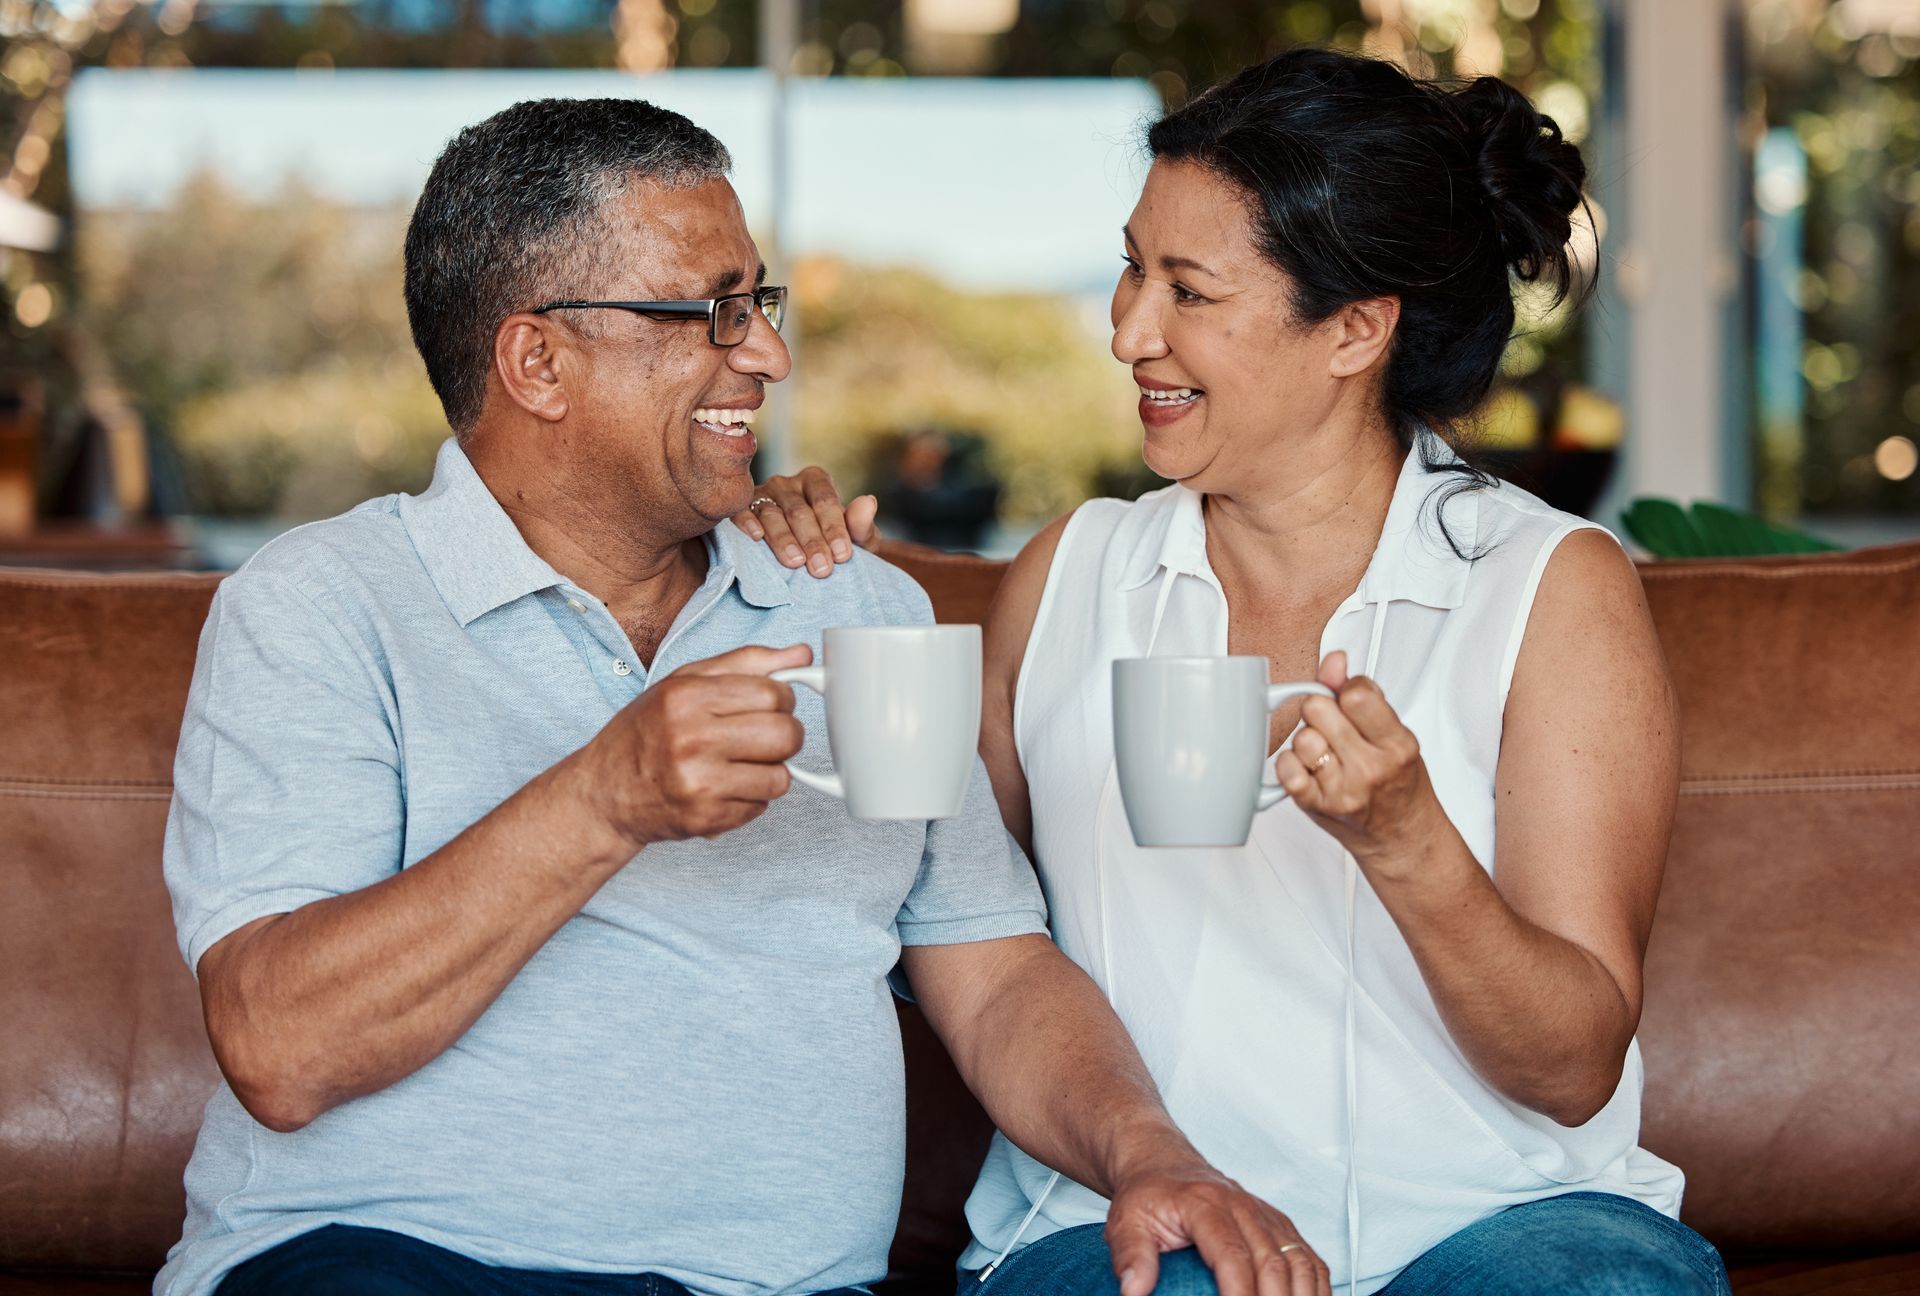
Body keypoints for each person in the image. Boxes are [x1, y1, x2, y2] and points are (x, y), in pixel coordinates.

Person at [157, 98, 1329, 1296]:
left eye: (757, 305)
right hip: (387, 1261)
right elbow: (278, 1046)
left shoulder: (854, 612)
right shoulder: (322, 604)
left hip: (782, 1286)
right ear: (537, 362)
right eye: (710, 311)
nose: (765, 355)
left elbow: (992, 968)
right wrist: (603, 800)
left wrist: (1152, 1160)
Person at [738, 49, 1730, 1296]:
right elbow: (938, 905)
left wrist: (1409, 842)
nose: (1125, 330)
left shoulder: (1546, 587)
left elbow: (1573, 1066)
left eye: (1188, 290)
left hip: (1493, 1226)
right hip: (1118, 1216)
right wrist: (805, 598)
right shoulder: (1074, 574)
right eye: (1129, 267)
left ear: (1357, 331)